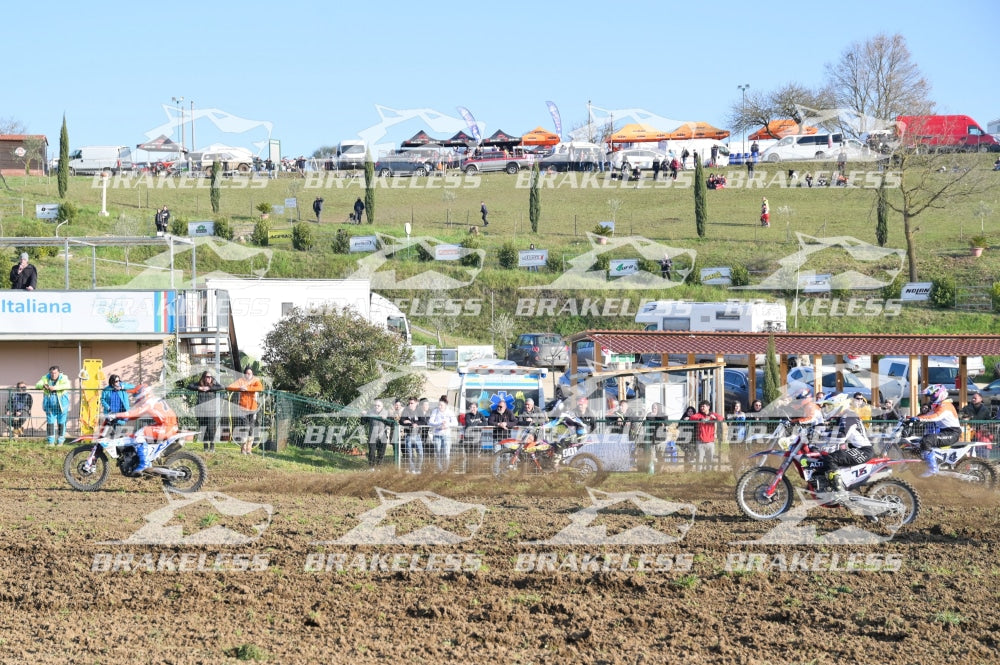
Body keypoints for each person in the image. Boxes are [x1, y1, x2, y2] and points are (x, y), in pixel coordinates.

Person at [107, 385, 179, 474]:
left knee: (139, 435)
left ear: (143, 394)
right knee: (140, 432)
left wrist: (116, 415)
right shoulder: (154, 400)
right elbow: (135, 415)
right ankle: (145, 457)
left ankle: (145, 463)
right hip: (168, 425)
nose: (137, 399)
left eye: (137, 396)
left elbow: (135, 413)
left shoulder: (149, 403)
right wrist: (122, 418)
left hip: (167, 427)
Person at [817, 393, 874, 494]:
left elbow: (842, 437)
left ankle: (839, 491)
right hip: (859, 449)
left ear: (838, 404)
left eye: (829, 406)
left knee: (831, 458)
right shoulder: (843, 416)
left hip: (864, 451)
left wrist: (821, 434)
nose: (826, 409)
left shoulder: (848, 416)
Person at [914, 385, 962, 477]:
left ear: (940, 394)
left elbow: (935, 417)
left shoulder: (946, 406)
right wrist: (911, 419)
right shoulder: (938, 406)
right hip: (944, 432)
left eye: (933, 396)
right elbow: (928, 414)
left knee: (927, 440)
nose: (931, 398)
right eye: (930, 396)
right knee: (917, 443)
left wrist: (918, 419)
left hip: (952, 433)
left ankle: (933, 469)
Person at [227, 368, 264, 455]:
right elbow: (229, 387)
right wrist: (239, 388)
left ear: (252, 374)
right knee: (245, 427)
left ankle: (249, 449)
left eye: (250, 373)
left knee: (251, 428)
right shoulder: (241, 381)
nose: (248, 375)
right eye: (247, 373)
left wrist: (247, 388)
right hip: (243, 409)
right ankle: (243, 449)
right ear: (244, 374)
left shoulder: (256, 381)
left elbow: (260, 388)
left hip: (253, 408)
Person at [187, 371, 224, 451]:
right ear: (204, 377)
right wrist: (199, 388)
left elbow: (222, 387)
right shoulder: (199, 384)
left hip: (211, 411)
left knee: (211, 429)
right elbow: (189, 386)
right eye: (207, 377)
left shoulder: (213, 385)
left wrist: (209, 388)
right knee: (203, 429)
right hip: (201, 411)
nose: (209, 378)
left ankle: (212, 446)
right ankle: (205, 447)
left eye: (210, 377)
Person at [36, 365, 70, 445]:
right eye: (51, 373)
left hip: (62, 406)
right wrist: (43, 385)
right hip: (50, 406)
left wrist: (54, 388)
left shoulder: (64, 378)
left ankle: (60, 442)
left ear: (59, 372)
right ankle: (51, 442)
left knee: (61, 423)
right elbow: (37, 385)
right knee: (50, 423)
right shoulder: (45, 378)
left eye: (55, 373)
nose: (53, 374)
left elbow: (67, 386)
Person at [688, 400, 722, 471]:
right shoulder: (699, 415)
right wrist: (700, 419)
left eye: (703, 406)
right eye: (701, 406)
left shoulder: (713, 414)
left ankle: (708, 475)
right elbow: (691, 417)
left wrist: (714, 418)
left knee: (710, 461)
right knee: (699, 461)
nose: (702, 408)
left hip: (710, 442)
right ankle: (698, 475)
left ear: (708, 407)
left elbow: (721, 418)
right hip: (700, 442)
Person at [100, 374, 136, 438]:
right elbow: (102, 400)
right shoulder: (106, 390)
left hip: (121, 411)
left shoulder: (122, 386)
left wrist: (122, 387)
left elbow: (133, 387)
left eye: (119, 380)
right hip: (111, 412)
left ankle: (117, 437)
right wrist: (108, 408)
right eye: (116, 381)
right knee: (115, 428)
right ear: (112, 382)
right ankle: (115, 438)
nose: (118, 382)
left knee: (120, 425)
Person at [428, 395, 457, 472]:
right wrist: (440, 423)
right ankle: (440, 469)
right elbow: (430, 422)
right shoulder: (435, 411)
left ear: (445, 405)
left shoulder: (450, 412)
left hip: (446, 435)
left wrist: (447, 425)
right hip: (437, 434)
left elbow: (455, 423)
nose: (440, 406)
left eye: (441, 405)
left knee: (446, 453)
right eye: (439, 405)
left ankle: (446, 469)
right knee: (437, 452)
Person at [364, 399, 391, 470]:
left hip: (383, 436)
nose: (376, 407)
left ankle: (379, 467)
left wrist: (385, 419)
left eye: (378, 406)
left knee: (381, 453)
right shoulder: (370, 412)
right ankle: (371, 467)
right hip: (372, 435)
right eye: (375, 405)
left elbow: (391, 423)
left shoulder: (387, 413)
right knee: (372, 452)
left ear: (382, 406)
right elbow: (363, 422)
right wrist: (363, 415)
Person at [399, 397, 423, 474]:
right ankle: (412, 469)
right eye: (409, 403)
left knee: (420, 453)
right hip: (408, 435)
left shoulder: (419, 410)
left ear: (416, 403)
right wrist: (410, 423)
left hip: (417, 435)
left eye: (412, 403)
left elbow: (423, 421)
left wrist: (416, 424)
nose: (410, 404)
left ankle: (418, 469)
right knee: (409, 453)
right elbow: (401, 421)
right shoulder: (406, 410)